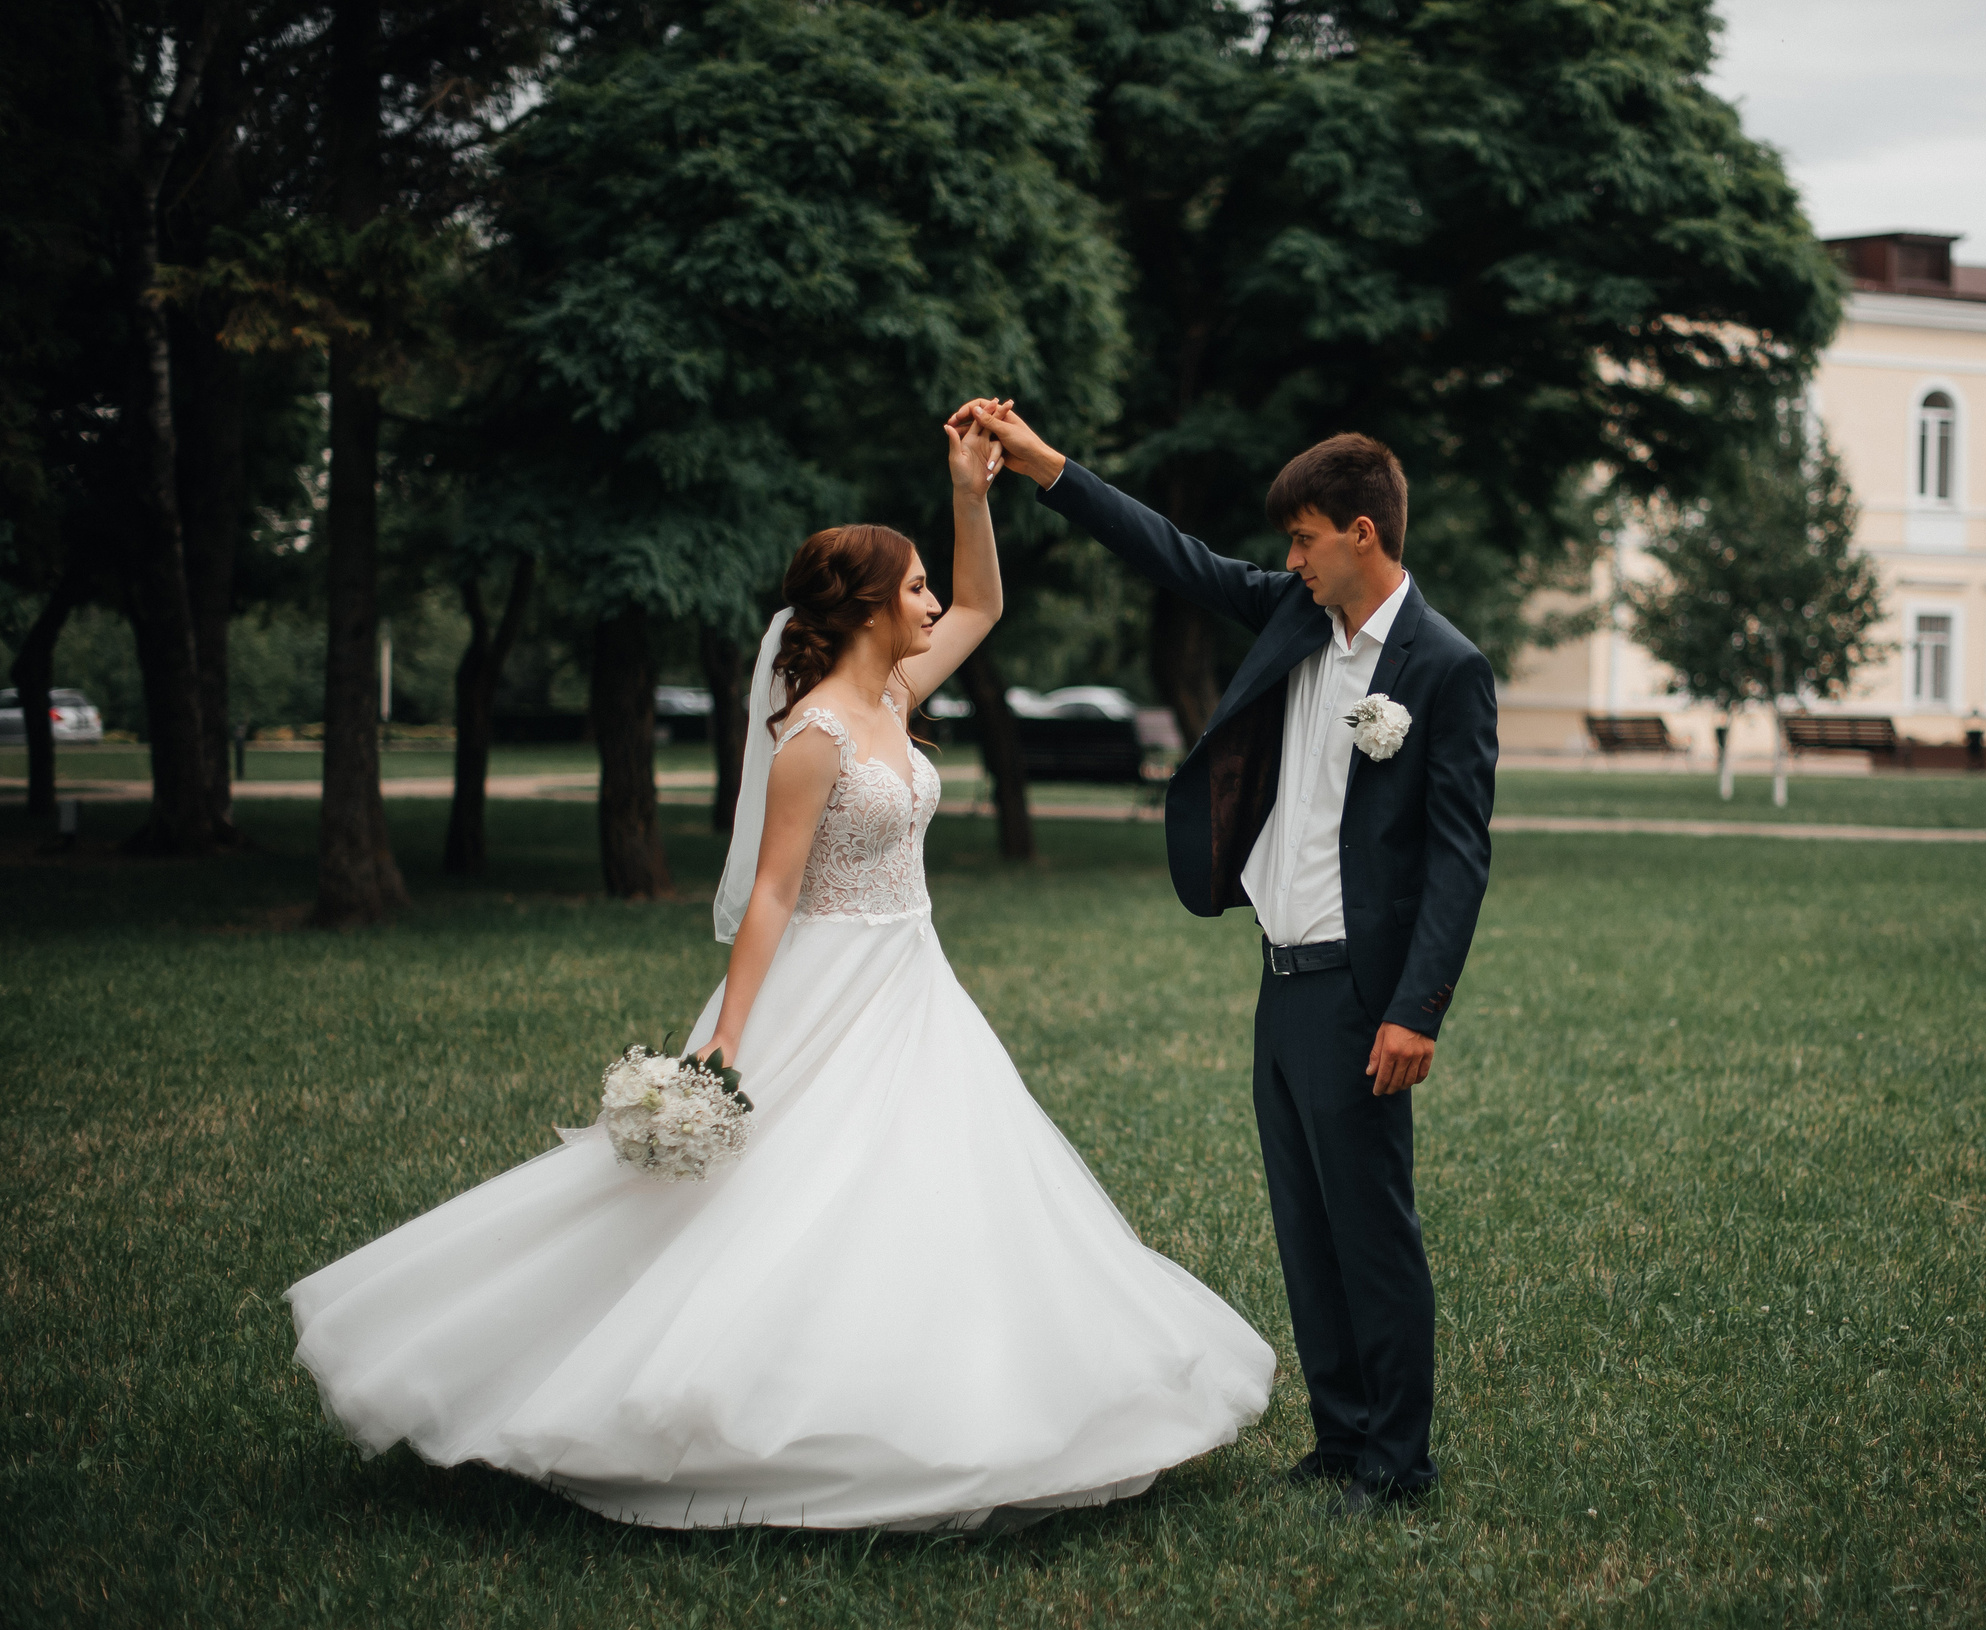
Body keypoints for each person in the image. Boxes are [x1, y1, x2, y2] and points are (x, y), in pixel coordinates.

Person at [284, 412, 1273, 1532]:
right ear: (862, 609)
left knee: (931, 1191)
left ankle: (940, 1398)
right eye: (911, 592)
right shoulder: (815, 735)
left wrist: (968, 493)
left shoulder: (894, 699)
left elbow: (986, 602)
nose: (931, 607)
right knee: (773, 1198)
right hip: (827, 984)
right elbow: (769, 892)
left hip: (914, 979)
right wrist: (724, 1037)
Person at [952, 401, 1497, 1514]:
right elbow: (1172, 553)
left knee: (1370, 1226)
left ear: (1362, 532)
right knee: (1304, 1220)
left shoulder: (1445, 667)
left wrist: (1416, 1008)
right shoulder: (1292, 616)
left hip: (1361, 988)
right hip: (1278, 972)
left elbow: (1456, 858)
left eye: (1302, 538)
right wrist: (1046, 466)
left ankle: (1400, 1459)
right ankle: (1340, 1438)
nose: (1286, 559)